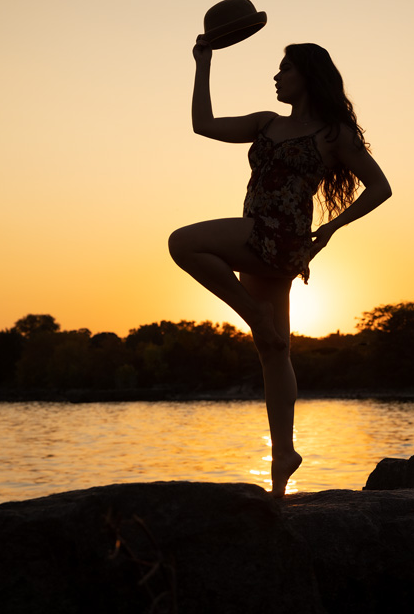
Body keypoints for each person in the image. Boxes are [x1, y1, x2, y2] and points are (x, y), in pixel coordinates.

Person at [168, 38, 392, 497]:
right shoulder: (266, 124)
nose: (276, 76)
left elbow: (380, 187)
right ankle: (282, 462)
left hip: (281, 236)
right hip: (260, 238)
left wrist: (331, 229)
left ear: (306, 75)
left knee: (182, 242)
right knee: (274, 352)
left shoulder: (333, 135)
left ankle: (256, 316)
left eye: (283, 69)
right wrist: (203, 64)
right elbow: (203, 124)